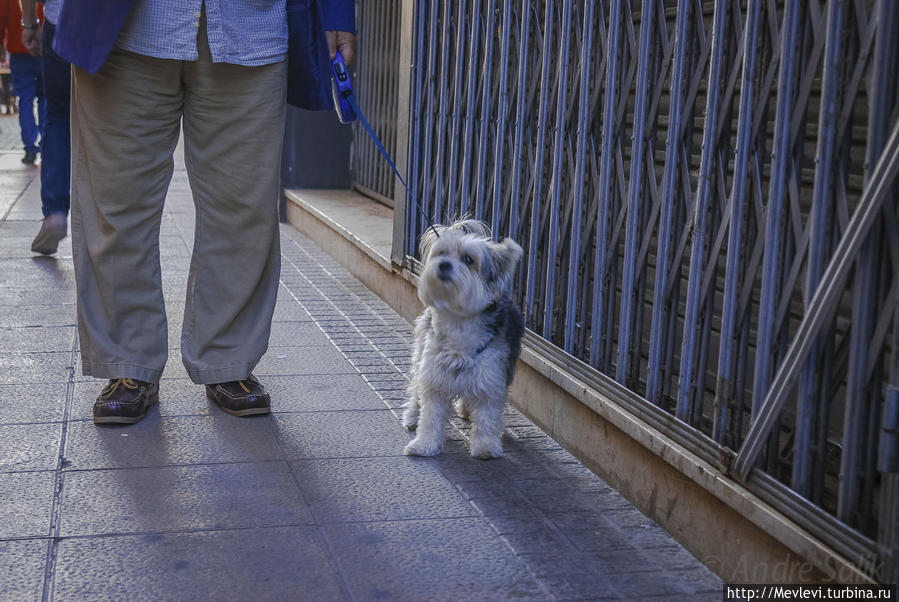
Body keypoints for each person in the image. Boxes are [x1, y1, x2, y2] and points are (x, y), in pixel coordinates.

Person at [52, 0, 355, 425]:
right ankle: (127, 362)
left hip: (249, 25)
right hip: (124, 25)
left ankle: (229, 359)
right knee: (115, 205)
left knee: (245, 208)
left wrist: (337, 13)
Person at [20, 0, 70, 255]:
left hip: (61, 19)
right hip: (114, 24)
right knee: (108, 118)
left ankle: (55, 212)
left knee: (59, 116)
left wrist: (30, 22)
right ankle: (107, 216)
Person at [0, 0, 43, 164]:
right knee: (46, 99)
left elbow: (1, 18)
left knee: (25, 100)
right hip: (43, 47)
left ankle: (30, 148)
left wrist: (1, 47)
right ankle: (47, 145)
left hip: (19, 50)